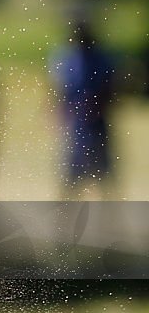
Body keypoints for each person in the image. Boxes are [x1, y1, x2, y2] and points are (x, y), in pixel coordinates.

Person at [50, 20, 116, 197]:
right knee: (71, 175)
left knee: (103, 174)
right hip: (76, 123)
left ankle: (110, 216)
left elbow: (110, 90)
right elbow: (59, 90)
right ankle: (65, 218)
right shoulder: (67, 58)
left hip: (97, 122)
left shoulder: (101, 58)